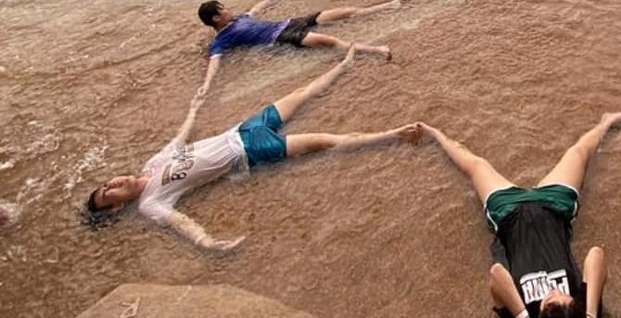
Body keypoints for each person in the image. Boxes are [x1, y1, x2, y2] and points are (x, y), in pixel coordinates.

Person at [85, 47, 419, 250]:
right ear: (117, 209)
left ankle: (347, 62)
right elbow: (180, 223)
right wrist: (208, 242)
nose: (111, 185)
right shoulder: (151, 204)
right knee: (326, 140)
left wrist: (194, 109)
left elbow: (180, 137)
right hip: (252, 151)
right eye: (108, 196)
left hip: (242, 128)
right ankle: (393, 134)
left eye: (105, 185)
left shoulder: (152, 163)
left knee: (303, 92)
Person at [415, 110, 621, 318]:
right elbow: (596, 255)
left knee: (476, 165)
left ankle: (435, 135)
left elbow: (496, 274)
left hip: (509, 214)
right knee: (579, 152)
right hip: (554, 209)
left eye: (551, 301)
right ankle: (607, 121)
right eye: (567, 298)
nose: (556, 293)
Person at [194, 0, 394, 100]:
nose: (228, 9)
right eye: (223, 8)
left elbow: (254, 11)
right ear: (216, 18)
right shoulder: (221, 40)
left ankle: (390, 5)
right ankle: (375, 50)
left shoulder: (236, 19)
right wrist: (206, 86)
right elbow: (214, 62)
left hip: (290, 22)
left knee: (341, 12)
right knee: (328, 41)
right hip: (284, 36)